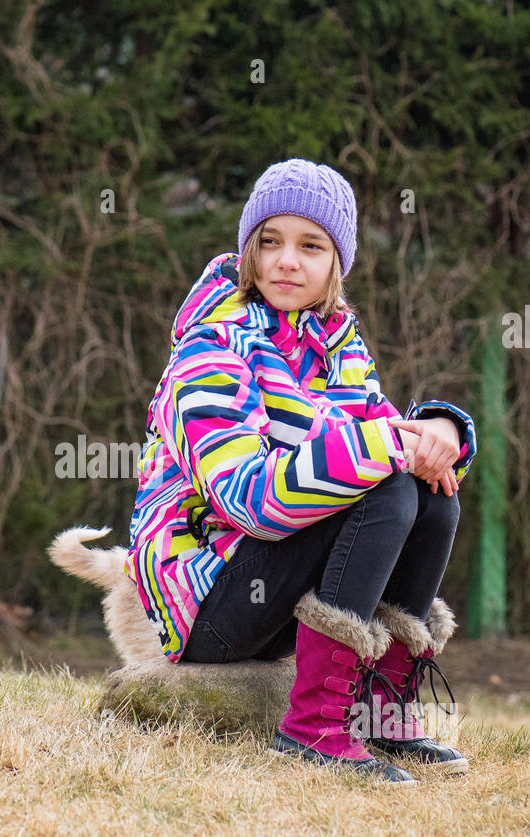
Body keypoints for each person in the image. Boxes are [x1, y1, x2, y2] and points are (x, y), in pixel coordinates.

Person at [124, 158, 477, 784]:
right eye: (270, 242)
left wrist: (441, 431)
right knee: (386, 484)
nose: (287, 261)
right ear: (249, 253)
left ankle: (380, 709)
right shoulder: (211, 346)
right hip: (213, 603)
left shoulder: (337, 343)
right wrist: (392, 447)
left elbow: (386, 429)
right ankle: (314, 727)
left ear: (336, 262)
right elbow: (244, 501)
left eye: (310, 246)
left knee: (429, 495)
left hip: (278, 596)